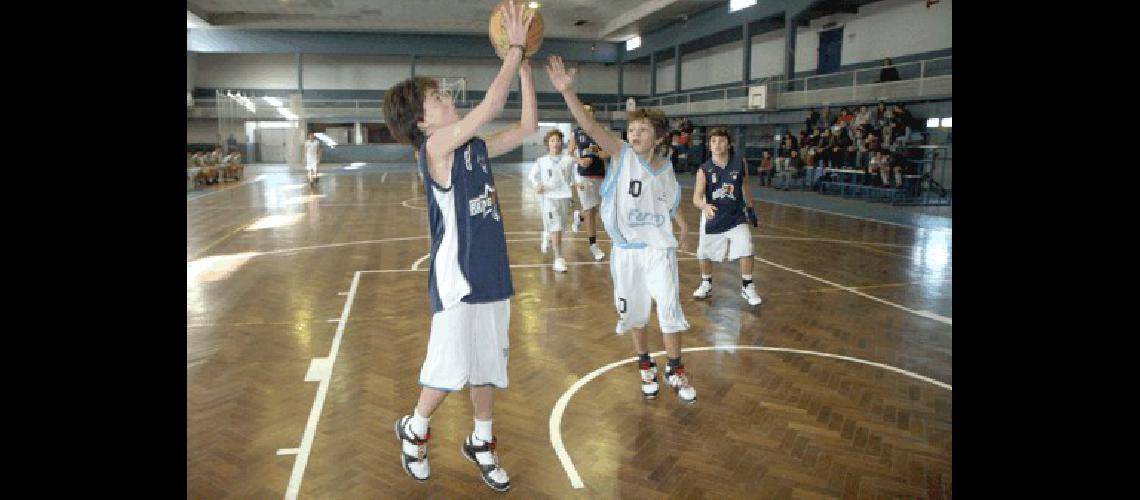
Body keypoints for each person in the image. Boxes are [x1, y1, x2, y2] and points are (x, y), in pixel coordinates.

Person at [379, 2, 536, 490]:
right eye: (436, 97)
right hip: (458, 276)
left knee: (487, 364)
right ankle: (415, 429)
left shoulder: (475, 148)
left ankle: (482, 442)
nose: (447, 97)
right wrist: (512, 47)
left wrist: (526, 66)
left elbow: (528, 127)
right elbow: (490, 106)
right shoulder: (434, 150)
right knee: (448, 368)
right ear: (421, 121)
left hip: (492, 272)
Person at [546, 54, 696, 403]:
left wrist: (684, 226)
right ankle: (646, 365)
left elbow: (669, 203)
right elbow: (590, 125)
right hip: (626, 253)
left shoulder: (667, 168)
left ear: (659, 137)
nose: (635, 133)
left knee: (670, 307)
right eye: (632, 129)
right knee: (636, 314)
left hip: (658, 249)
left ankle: (675, 367)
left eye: (643, 129)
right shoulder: (621, 154)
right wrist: (568, 93)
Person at [691, 128, 762, 306]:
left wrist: (751, 208)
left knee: (746, 246)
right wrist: (704, 205)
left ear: (728, 144)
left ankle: (747, 285)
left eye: (721, 141)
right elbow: (696, 198)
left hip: (736, 215)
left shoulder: (740, 163)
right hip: (713, 215)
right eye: (713, 141)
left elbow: (745, 187)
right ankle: (706, 283)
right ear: (709, 145)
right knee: (704, 252)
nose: (717, 145)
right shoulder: (704, 169)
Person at [529, 129, 575, 272]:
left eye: (558, 140)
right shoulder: (541, 161)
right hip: (548, 197)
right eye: (552, 140)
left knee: (560, 225)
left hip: (564, 196)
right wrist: (537, 186)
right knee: (556, 226)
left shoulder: (568, 159)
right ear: (547, 143)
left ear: (562, 143)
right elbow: (532, 176)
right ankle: (558, 258)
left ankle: (546, 233)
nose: (556, 143)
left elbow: (573, 177)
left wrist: (576, 189)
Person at [569, 103, 609, 261]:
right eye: (583, 111)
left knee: (597, 209)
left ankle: (579, 216)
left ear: (594, 114)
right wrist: (579, 161)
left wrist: (597, 152)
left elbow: (607, 154)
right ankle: (594, 245)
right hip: (583, 176)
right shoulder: (576, 133)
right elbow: (570, 153)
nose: (586, 113)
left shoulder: (602, 132)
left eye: (589, 111)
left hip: (600, 175)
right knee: (591, 211)